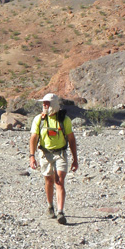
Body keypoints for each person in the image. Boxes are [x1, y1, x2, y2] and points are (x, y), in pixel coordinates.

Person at [29, 93, 78, 225]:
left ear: (54, 105)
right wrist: (32, 156)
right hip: (45, 154)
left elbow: (71, 139)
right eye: (43, 103)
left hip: (60, 154)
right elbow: (34, 138)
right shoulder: (39, 119)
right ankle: (50, 206)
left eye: (47, 103)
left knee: (59, 181)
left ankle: (60, 212)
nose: (44, 105)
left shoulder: (64, 120)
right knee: (49, 180)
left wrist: (75, 159)